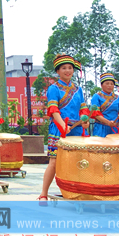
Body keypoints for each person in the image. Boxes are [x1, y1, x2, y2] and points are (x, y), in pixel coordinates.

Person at [38, 54, 89, 201]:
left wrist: (85, 121)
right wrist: (62, 126)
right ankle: (43, 193)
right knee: (54, 162)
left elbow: (83, 108)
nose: (67, 71)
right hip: (59, 128)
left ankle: (75, 192)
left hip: (77, 129)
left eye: (70, 68)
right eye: (64, 68)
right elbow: (53, 110)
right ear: (58, 71)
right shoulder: (53, 88)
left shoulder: (78, 89)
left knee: (78, 161)